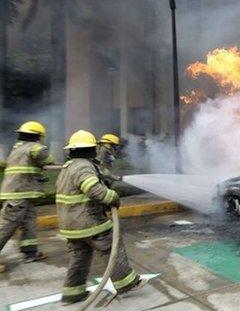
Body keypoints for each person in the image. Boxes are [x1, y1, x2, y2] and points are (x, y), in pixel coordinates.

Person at [56, 130, 145, 304]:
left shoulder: (68, 167)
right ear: (91, 149)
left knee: (79, 257)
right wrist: (112, 197)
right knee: (111, 246)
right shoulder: (83, 166)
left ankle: (72, 293)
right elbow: (93, 190)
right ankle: (126, 283)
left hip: (69, 224)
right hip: (88, 221)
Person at [0, 121, 54, 273]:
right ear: (38, 136)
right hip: (18, 194)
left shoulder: (17, 148)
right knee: (6, 226)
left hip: (21, 193)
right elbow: (48, 159)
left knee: (29, 222)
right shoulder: (35, 147)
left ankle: (30, 252)